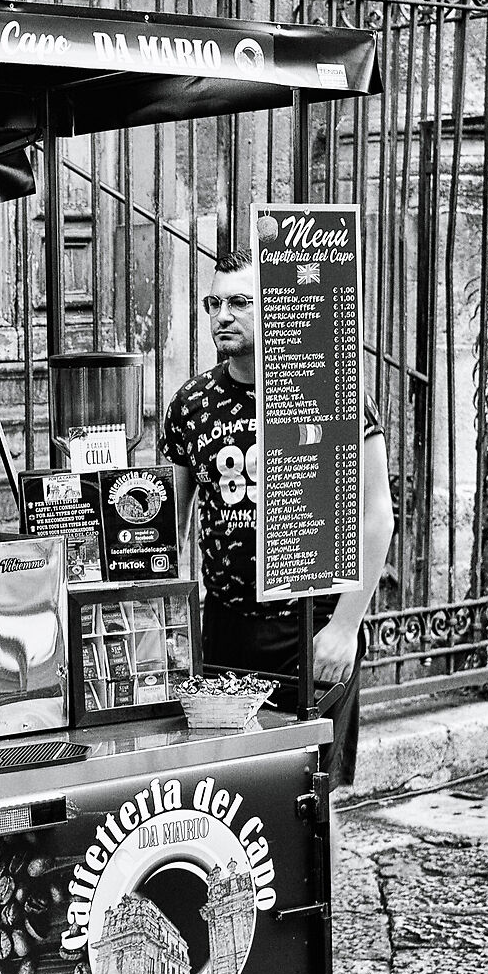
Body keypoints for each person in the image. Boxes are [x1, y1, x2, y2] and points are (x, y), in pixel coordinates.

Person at [161, 250, 394, 783]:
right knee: (234, 786)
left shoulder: (325, 389)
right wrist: (173, 621)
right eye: (212, 303)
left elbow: (377, 514)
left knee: (314, 792)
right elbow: (172, 525)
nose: (222, 316)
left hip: (309, 626)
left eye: (240, 302)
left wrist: (345, 626)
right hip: (225, 629)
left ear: (277, 306)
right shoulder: (191, 402)